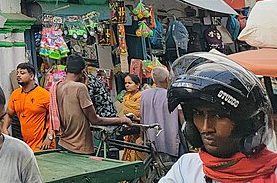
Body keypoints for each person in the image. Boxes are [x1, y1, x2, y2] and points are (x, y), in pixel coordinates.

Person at [161, 53, 277, 183]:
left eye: (218, 116)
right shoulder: (186, 168)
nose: (206, 128)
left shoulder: (273, 172)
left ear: (246, 124)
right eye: (198, 113)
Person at [50, 54, 133, 154]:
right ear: (83, 71)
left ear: (66, 69)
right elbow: (95, 120)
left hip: (63, 143)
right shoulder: (80, 88)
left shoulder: (57, 86)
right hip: (80, 146)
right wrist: (122, 120)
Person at [139, 66, 181, 168]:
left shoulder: (144, 95)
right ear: (167, 79)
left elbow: (142, 118)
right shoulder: (171, 95)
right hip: (169, 140)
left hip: (150, 139)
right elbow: (181, 116)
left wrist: (141, 137)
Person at [3, 62, 51, 151]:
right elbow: (9, 114)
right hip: (25, 145)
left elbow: (55, 117)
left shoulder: (44, 95)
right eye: (17, 73)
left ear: (31, 76)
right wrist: (4, 128)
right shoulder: (15, 94)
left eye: (22, 73)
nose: (18, 75)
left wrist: (50, 137)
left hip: (43, 144)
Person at [119, 73, 145, 161]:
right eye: (125, 83)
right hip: (129, 133)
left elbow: (146, 117)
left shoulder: (143, 98)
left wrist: (136, 119)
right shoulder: (126, 98)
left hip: (141, 132)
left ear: (137, 85)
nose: (127, 85)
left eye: (130, 83)